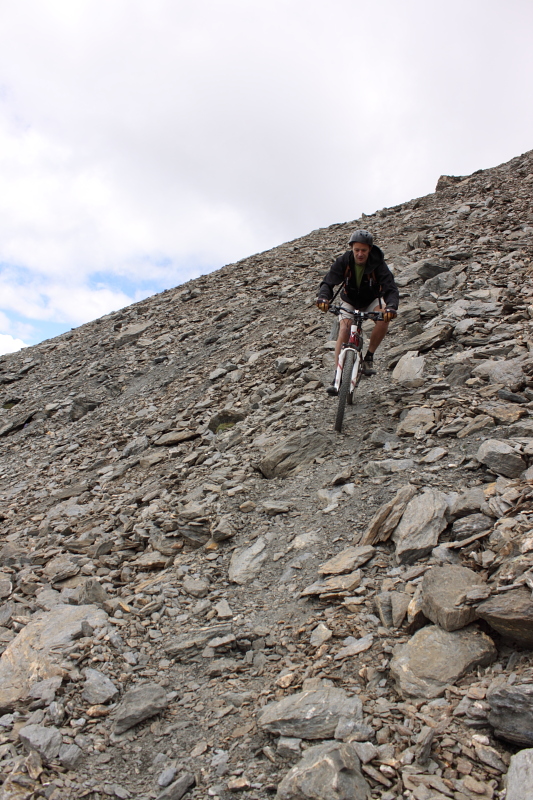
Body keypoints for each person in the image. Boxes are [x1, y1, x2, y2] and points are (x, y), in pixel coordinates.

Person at [316, 229, 399, 395]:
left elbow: (390, 287)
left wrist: (391, 307)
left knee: (384, 319)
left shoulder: (378, 264)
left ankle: (369, 357)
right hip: (349, 300)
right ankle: (338, 375)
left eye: (364, 250)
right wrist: (323, 298)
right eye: (357, 250)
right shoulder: (344, 261)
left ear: (370, 250)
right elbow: (328, 282)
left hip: (371, 301)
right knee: (344, 330)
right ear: (352, 248)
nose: (360, 254)